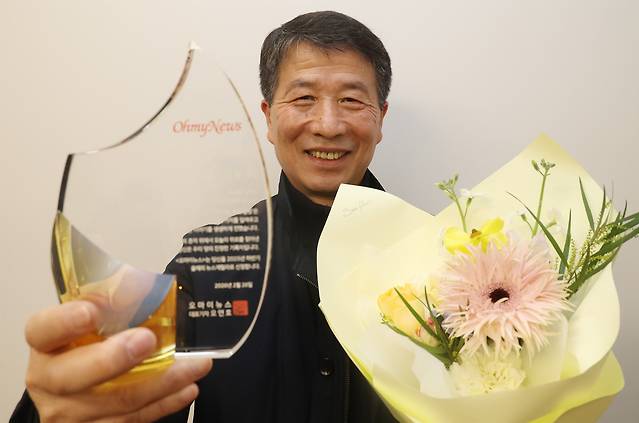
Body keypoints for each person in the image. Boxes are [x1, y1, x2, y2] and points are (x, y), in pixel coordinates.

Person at [13, 11, 396, 422]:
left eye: (351, 100)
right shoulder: (208, 263)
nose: (328, 125)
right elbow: (123, 396)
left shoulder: (436, 259)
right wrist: (66, 404)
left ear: (381, 118)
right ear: (268, 117)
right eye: (304, 98)